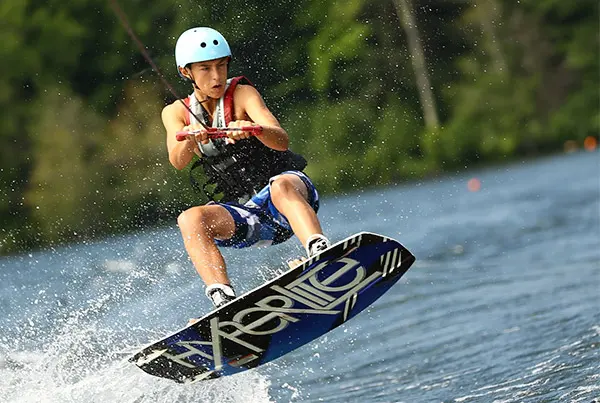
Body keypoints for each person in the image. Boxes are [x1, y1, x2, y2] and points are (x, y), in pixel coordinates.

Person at [161, 27, 330, 308]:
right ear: (186, 72)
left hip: (291, 198)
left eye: (221, 66)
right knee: (189, 219)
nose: (216, 76)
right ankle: (223, 298)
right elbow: (177, 160)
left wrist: (255, 129)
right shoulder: (175, 113)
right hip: (250, 218)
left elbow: (281, 140)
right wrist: (190, 139)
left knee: (280, 186)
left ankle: (319, 249)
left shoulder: (243, 94)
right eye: (205, 69)